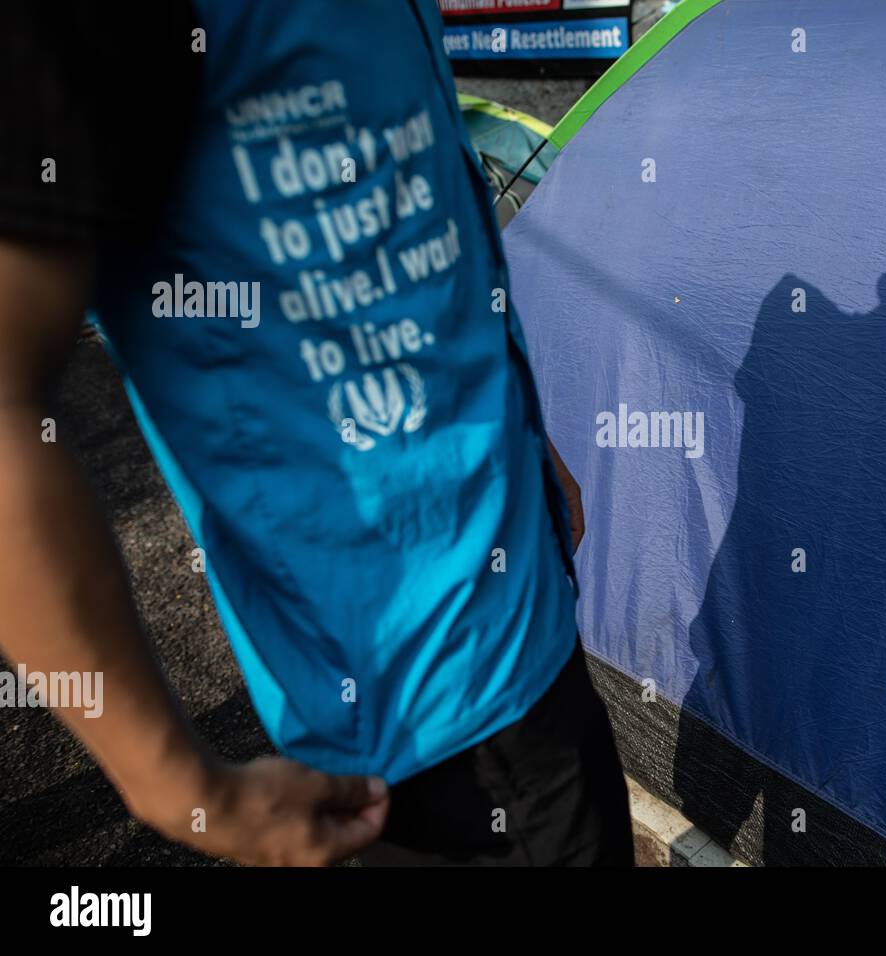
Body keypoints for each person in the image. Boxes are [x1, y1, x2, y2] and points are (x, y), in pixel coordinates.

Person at [0, 0, 632, 866]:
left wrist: (526, 439)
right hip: (418, 731)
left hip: (531, 625)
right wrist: (179, 787)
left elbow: (406, 223)